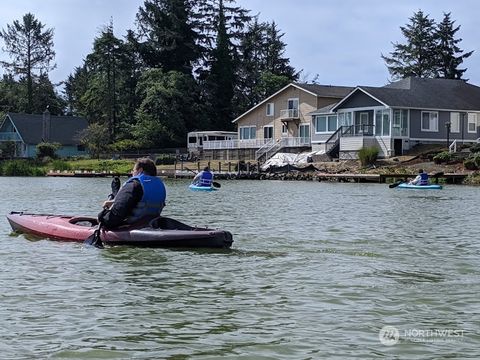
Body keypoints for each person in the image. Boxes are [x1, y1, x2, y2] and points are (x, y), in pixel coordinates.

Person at [98, 158, 166, 229]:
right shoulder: (160, 185)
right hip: (151, 224)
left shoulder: (134, 185)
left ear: (140, 170)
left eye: (133, 170)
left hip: (133, 226)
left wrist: (102, 218)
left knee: (102, 217)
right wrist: (114, 202)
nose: (132, 173)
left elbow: (115, 217)